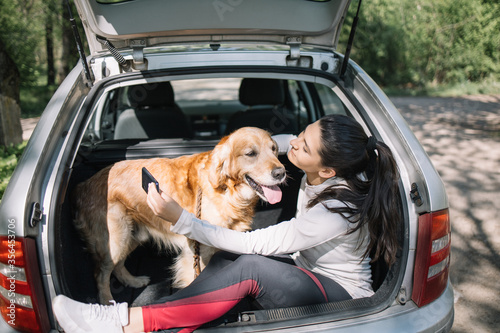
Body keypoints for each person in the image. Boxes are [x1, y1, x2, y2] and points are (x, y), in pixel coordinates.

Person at [52, 114, 401, 333]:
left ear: (326, 170)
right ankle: (182, 322)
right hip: (306, 269)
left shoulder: (336, 210)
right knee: (223, 258)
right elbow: (267, 143)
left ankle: (127, 323)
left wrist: (181, 219)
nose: (290, 144)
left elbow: (255, 244)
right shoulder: (330, 168)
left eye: (302, 145)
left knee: (248, 263)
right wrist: (243, 147)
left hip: (341, 294)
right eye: (300, 133)